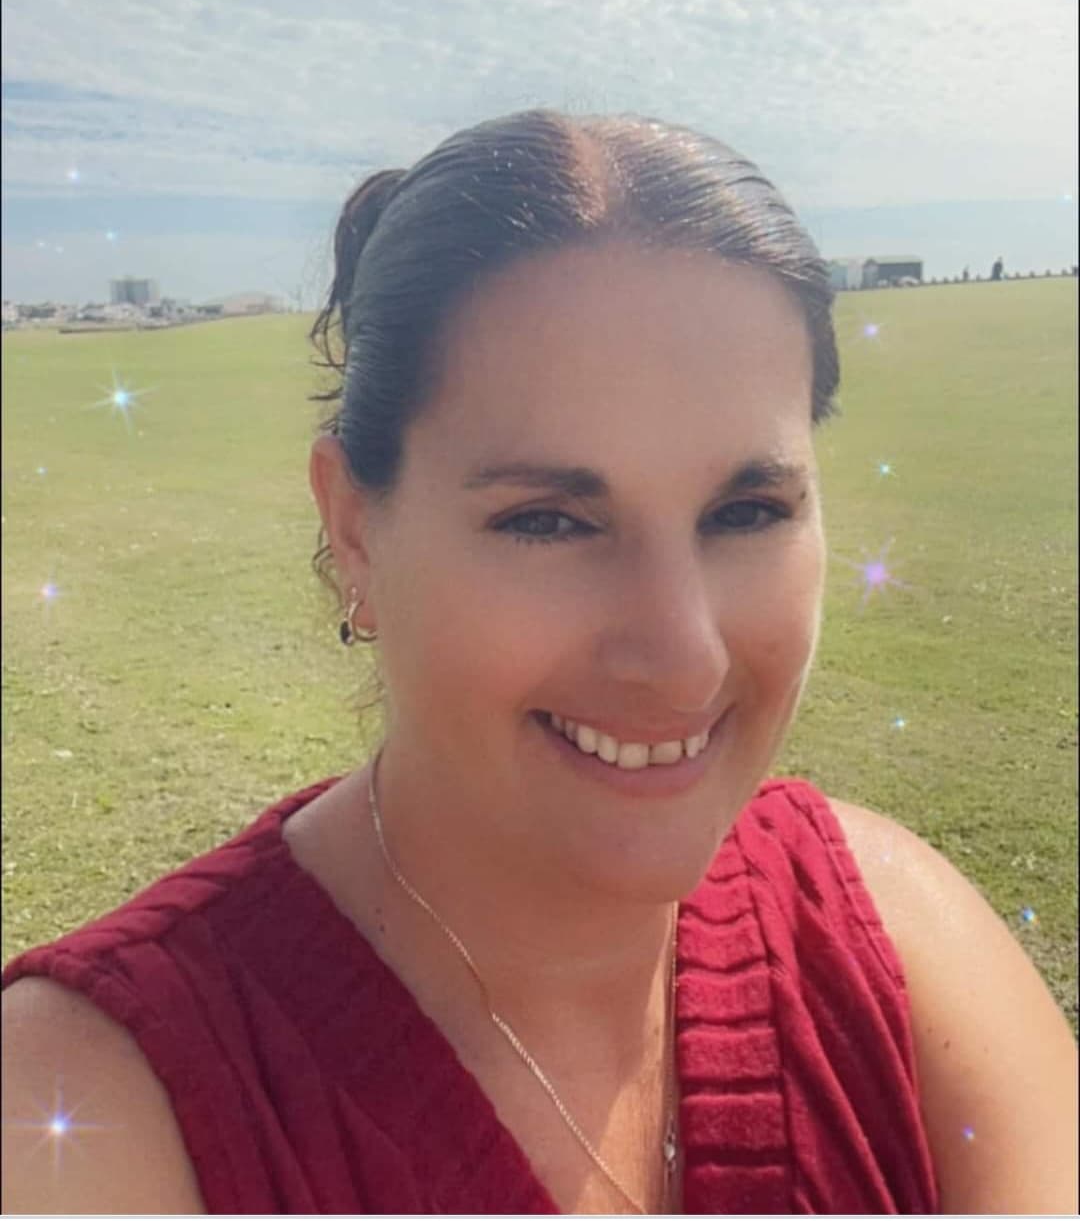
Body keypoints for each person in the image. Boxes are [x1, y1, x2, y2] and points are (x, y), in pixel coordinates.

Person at [3, 110, 1077, 1216]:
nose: (679, 652)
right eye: (549, 522)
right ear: (357, 529)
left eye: (747, 508)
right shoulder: (101, 1101)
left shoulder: (895, 946)